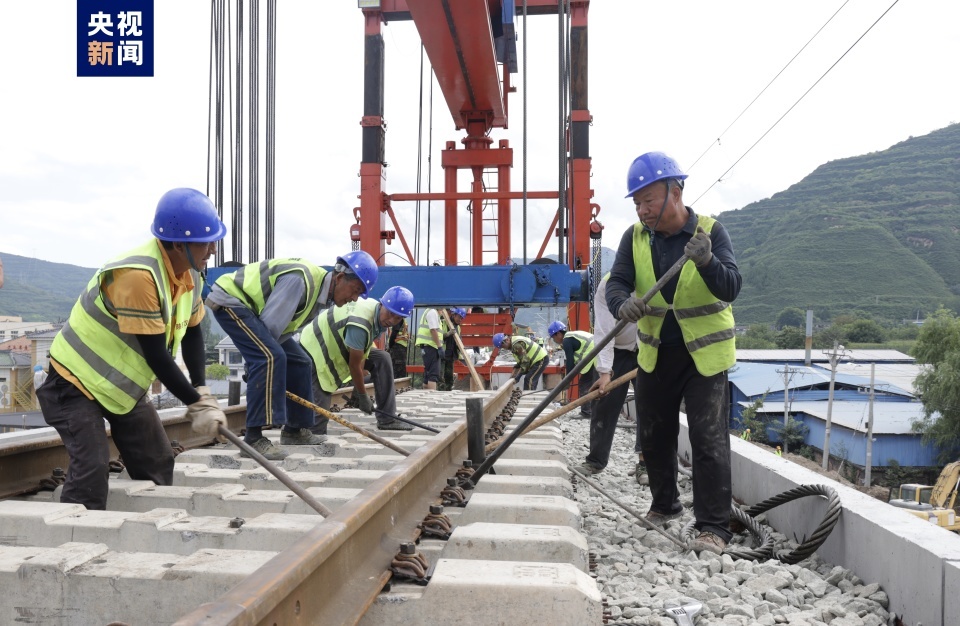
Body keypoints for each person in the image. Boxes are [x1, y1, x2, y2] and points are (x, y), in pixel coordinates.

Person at [37, 188, 229, 510]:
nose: (212, 249)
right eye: (205, 241)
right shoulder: (138, 277)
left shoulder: (189, 273)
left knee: (156, 460)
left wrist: (202, 389)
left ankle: (150, 530)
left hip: (119, 387)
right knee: (92, 469)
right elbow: (158, 356)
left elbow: (193, 331)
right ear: (179, 243)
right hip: (73, 382)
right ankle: (72, 543)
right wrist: (197, 403)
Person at [606, 151, 741, 556]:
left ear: (675, 192)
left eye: (648, 201)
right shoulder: (634, 238)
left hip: (704, 358)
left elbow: (731, 286)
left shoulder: (710, 232)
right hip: (655, 354)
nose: (643, 210)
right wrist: (621, 306)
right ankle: (664, 504)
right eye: (637, 203)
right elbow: (617, 284)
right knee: (654, 435)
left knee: (708, 438)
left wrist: (708, 262)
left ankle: (713, 527)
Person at [207, 250, 378, 460]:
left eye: (359, 295)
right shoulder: (301, 282)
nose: (354, 298)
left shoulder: (319, 296)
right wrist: (256, 365)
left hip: (254, 313)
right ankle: (253, 439)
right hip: (232, 300)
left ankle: (294, 430)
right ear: (340, 277)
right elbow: (270, 328)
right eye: (355, 290)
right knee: (270, 357)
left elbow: (281, 331)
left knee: (300, 362)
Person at [301, 286, 416, 431]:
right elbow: (354, 365)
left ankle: (387, 419)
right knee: (318, 422)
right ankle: (296, 433)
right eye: (390, 313)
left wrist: (357, 388)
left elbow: (363, 353)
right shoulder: (360, 323)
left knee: (382, 358)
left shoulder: (375, 315)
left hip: (336, 344)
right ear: (382, 305)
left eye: (398, 317)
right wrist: (362, 395)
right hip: (315, 349)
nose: (391, 320)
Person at [571, 274, 645, 482]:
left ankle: (645, 464)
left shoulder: (652, 274)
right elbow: (604, 330)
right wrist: (605, 372)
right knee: (604, 403)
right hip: (617, 350)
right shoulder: (608, 285)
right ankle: (596, 461)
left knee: (650, 407)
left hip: (648, 347)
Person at [547, 321, 598, 420]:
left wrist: (567, 380)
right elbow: (573, 361)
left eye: (554, 338)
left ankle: (586, 413)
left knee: (584, 384)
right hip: (598, 352)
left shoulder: (567, 341)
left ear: (558, 333)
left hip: (593, 354)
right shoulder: (571, 336)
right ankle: (595, 410)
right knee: (593, 383)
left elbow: (570, 361)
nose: (555, 341)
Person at [414, 306, 446, 390]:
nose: (442, 312)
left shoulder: (428, 311)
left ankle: (425, 396)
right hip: (431, 347)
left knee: (427, 375)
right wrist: (439, 347)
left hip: (427, 347)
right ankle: (432, 399)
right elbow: (433, 330)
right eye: (442, 309)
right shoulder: (432, 312)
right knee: (433, 375)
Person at [441, 307, 466, 390]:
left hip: (451, 355)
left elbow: (459, 340)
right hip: (442, 354)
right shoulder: (444, 323)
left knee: (449, 377)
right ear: (454, 315)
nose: (460, 320)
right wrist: (448, 334)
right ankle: (439, 391)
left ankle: (448, 390)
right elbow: (438, 336)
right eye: (459, 317)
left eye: (462, 318)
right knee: (440, 376)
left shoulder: (458, 327)